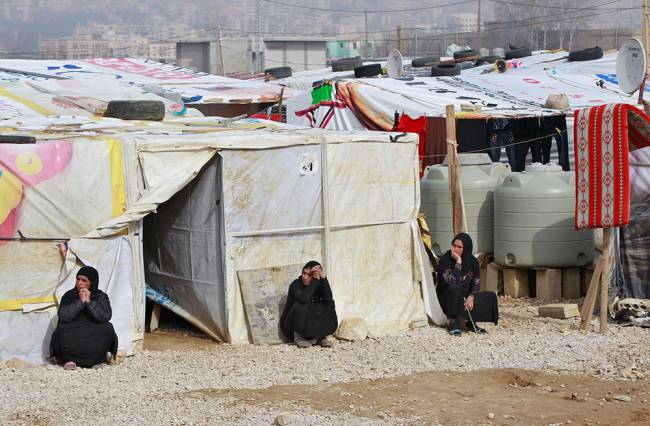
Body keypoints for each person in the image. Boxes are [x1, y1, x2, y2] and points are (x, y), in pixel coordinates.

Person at [50, 266, 118, 369]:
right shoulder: (69, 295)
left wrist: (89, 302)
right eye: (78, 279)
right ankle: (68, 360)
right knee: (61, 329)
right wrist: (80, 302)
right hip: (74, 330)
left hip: (92, 329)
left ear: (92, 282)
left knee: (108, 328)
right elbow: (64, 316)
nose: (79, 282)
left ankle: (97, 360)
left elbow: (105, 317)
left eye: (84, 280)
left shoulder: (100, 296)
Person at [437, 233, 499, 336]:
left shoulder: (473, 261)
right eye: (454, 246)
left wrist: (471, 296)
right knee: (455, 288)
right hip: (448, 299)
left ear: (466, 248)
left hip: (464, 298)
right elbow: (452, 281)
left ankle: (471, 322)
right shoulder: (445, 259)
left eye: (459, 247)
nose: (456, 249)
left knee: (490, 296)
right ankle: (452, 323)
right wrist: (458, 262)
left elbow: (476, 282)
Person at [280, 261, 338, 348]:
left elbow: (328, 298)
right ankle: (299, 338)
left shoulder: (316, 283)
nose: (305, 277)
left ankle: (320, 336)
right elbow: (304, 298)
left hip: (309, 326)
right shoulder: (295, 284)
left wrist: (323, 278)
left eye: (309, 275)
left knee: (328, 303)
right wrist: (315, 280)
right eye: (304, 273)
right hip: (292, 327)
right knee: (302, 304)